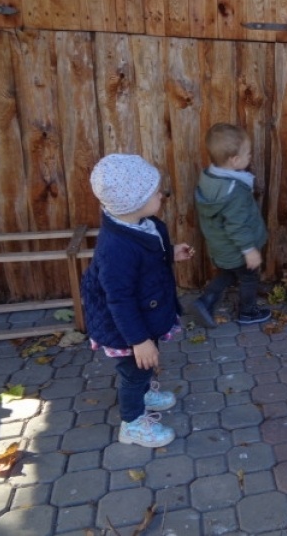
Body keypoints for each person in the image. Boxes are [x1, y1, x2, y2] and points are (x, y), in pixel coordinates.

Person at [82, 154, 194, 448]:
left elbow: (148, 256)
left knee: (143, 364)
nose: (161, 194)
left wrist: (171, 252)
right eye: (155, 192)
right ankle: (131, 423)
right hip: (124, 326)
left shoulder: (142, 224)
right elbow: (119, 299)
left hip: (144, 315)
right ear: (133, 202)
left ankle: (143, 392)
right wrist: (138, 340)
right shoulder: (115, 248)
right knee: (133, 370)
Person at [193, 123, 271, 327]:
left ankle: (206, 301)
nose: (250, 157)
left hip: (222, 247)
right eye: (248, 154)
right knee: (248, 278)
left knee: (228, 274)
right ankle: (248, 312)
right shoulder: (234, 191)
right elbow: (237, 225)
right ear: (235, 160)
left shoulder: (209, 177)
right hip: (237, 249)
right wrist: (249, 250)